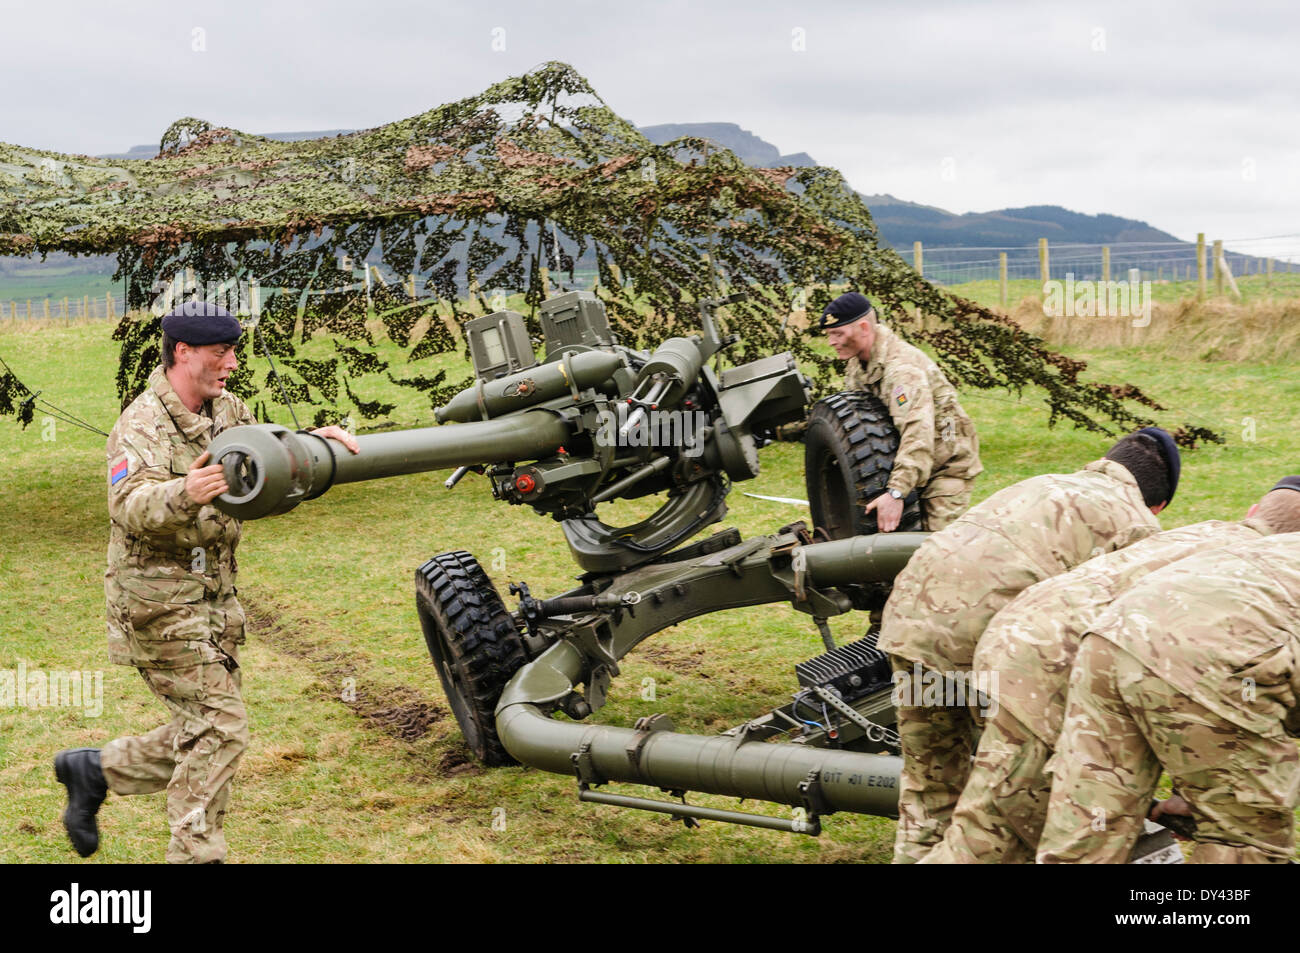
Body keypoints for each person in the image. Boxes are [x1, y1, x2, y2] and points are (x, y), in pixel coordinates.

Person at [54, 301, 359, 863]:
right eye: (222, 352)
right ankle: (197, 857)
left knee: (207, 726)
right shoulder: (139, 425)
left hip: (214, 597)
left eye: (234, 351)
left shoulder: (228, 408)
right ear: (183, 352)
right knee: (221, 729)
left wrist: (315, 445)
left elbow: (263, 459)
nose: (233, 363)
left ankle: (95, 771)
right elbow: (128, 505)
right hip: (157, 603)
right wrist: (182, 493)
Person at [920, 476, 1300, 863]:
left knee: (1079, 837)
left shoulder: (1210, 541)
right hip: (1070, 663)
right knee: (1244, 840)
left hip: (1078, 642)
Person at [878, 427, 1179, 863]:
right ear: (1159, 503)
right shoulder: (1137, 524)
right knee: (1007, 800)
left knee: (930, 783)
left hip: (910, 626)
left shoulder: (1042, 483)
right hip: (986, 650)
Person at [1036, 526, 1300, 864]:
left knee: (1094, 824)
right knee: (1242, 840)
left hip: (1114, 634)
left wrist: (1198, 789)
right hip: (1213, 654)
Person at [818, 292, 982, 531]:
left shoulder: (902, 371)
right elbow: (857, 421)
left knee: (934, 549)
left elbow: (918, 433)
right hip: (910, 460)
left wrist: (896, 492)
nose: (831, 342)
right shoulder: (858, 364)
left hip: (946, 466)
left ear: (864, 328)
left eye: (838, 334)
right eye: (829, 335)